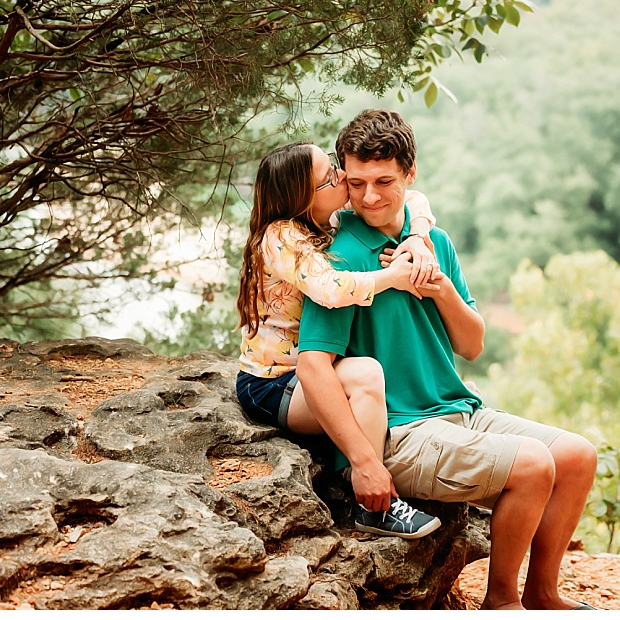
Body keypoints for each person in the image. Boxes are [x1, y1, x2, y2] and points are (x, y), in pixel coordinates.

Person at [296, 110, 599, 610]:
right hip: (399, 430)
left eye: (384, 181)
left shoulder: (434, 241)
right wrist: (362, 462)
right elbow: (313, 364)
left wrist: (439, 288)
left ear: (410, 175)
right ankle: (502, 603)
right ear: (343, 177)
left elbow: (473, 345)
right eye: (356, 182)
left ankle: (543, 592)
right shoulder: (338, 256)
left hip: (459, 411)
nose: (369, 196)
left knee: (577, 456)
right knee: (531, 464)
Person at [235, 140, 442, 539]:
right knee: (366, 374)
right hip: (273, 383)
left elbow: (413, 197)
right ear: (301, 197)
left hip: (310, 375)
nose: (342, 176)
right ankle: (372, 499)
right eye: (330, 175)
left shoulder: (326, 218)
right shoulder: (281, 236)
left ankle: (363, 476)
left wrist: (416, 236)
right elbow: (330, 288)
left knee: (373, 373)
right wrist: (392, 277)